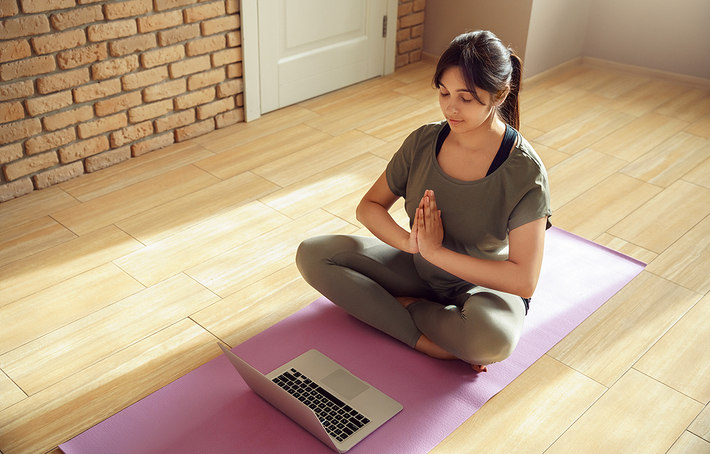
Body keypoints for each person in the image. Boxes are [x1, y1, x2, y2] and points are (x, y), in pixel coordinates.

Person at [296, 30, 552, 372]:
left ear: (498, 94)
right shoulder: (423, 141)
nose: (451, 107)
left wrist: (438, 253)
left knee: (492, 340)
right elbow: (369, 206)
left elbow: (524, 280)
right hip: (419, 268)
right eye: (444, 92)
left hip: (481, 287)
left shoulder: (525, 172)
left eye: (466, 97)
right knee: (313, 254)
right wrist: (410, 243)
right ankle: (428, 341)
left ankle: (409, 308)